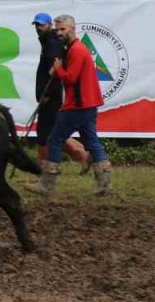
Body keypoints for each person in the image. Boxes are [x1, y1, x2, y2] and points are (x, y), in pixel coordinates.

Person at [29, 14, 113, 196]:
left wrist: (58, 68)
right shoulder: (77, 48)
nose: (59, 33)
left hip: (78, 104)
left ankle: (47, 184)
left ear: (73, 29)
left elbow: (71, 78)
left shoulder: (76, 50)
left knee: (54, 139)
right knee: (92, 142)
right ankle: (103, 183)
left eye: (63, 29)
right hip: (88, 103)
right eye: (57, 29)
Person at [32, 11, 91, 170]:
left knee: (46, 133)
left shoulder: (52, 43)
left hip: (51, 95)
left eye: (42, 25)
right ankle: (81, 154)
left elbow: (54, 73)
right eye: (36, 25)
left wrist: (47, 94)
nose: (38, 28)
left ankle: (45, 166)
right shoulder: (48, 41)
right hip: (48, 94)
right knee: (50, 131)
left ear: (49, 25)